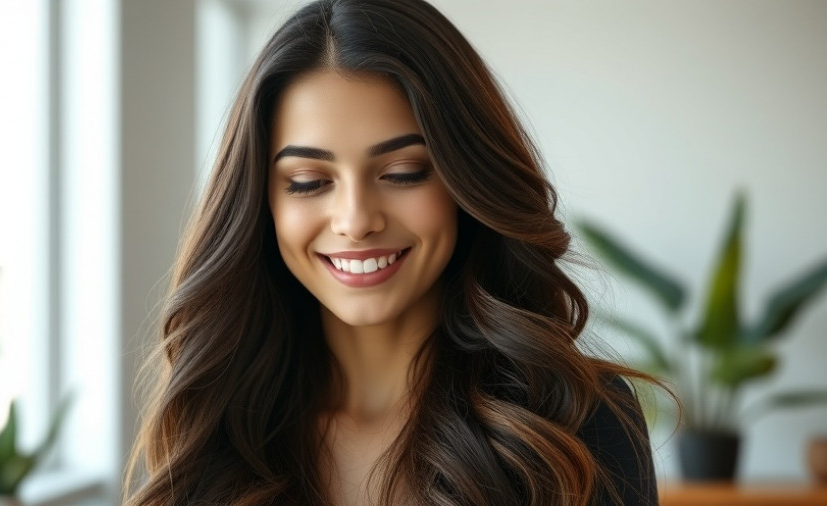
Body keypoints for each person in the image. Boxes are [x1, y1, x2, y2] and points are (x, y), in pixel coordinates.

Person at [125, 0, 660, 504]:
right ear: (260, 204)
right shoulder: (207, 430)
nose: (356, 220)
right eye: (309, 181)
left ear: (465, 182)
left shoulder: (576, 425)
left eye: (403, 173)